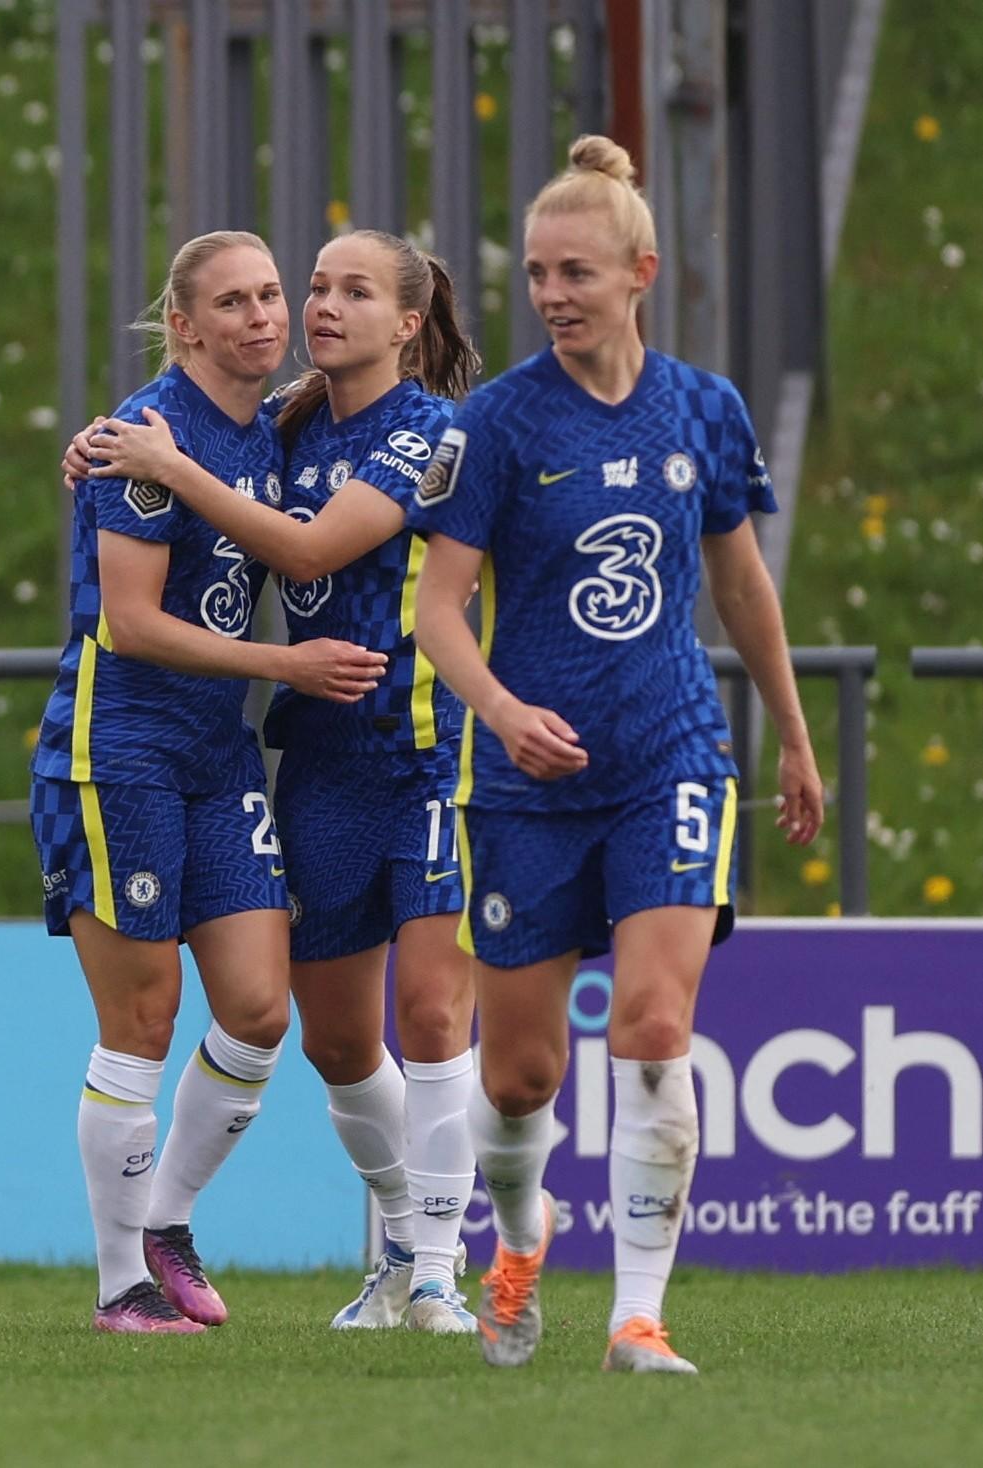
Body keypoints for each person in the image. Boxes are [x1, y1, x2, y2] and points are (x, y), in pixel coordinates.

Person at [405, 136, 824, 1375]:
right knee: (521, 1073)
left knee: (650, 1025)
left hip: (671, 762)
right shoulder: (494, 424)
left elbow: (739, 583)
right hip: (527, 790)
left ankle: (636, 1317)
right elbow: (435, 610)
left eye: (574, 271)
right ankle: (521, 1233)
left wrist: (790, 736)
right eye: (535, 272)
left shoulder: (704, 408)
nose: (550, 293)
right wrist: (500, 710)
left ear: (640, 271)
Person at [65, 230, 484, 1332]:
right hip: (307, 759)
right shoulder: (282, 426)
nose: (304, 307)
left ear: (406, 322)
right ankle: (395, 1245)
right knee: (331, 1037)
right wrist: (110, 449)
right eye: (308, 287)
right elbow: (175, 466)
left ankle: (436, 1269)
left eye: (348, 290)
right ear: (190, 320)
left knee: (431, 1011)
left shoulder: (428, 432)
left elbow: (303, 553)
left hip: (426, 753)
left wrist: (163, 464)